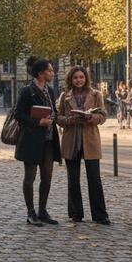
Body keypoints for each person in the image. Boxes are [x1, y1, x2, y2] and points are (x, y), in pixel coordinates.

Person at [56, 66, 110, 225]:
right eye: (75, 78)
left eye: (81, 77)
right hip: (71, 139)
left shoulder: (96, 94)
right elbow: (58, 118)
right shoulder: (64, 96)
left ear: (86, 78)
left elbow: (103, 116)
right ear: (70, 80)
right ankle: (75, 213)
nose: (79, 80)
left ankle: (100, 215)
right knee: (73, 179)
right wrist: (69, 120)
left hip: (90, 139)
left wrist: (91, 117)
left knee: (94, 178)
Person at [15, 56, 61, 226]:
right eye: (49, 71)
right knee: (30, 177)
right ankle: (30, 212)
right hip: (32, 140)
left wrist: (53, 117)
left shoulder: (49, 90)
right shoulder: (27, 91)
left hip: (49, 140)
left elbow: (54, 110)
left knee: (47, 177)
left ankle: (43, 210)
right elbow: (18, 115)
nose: (52, 73)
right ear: (41, 74)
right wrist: (38, 122)